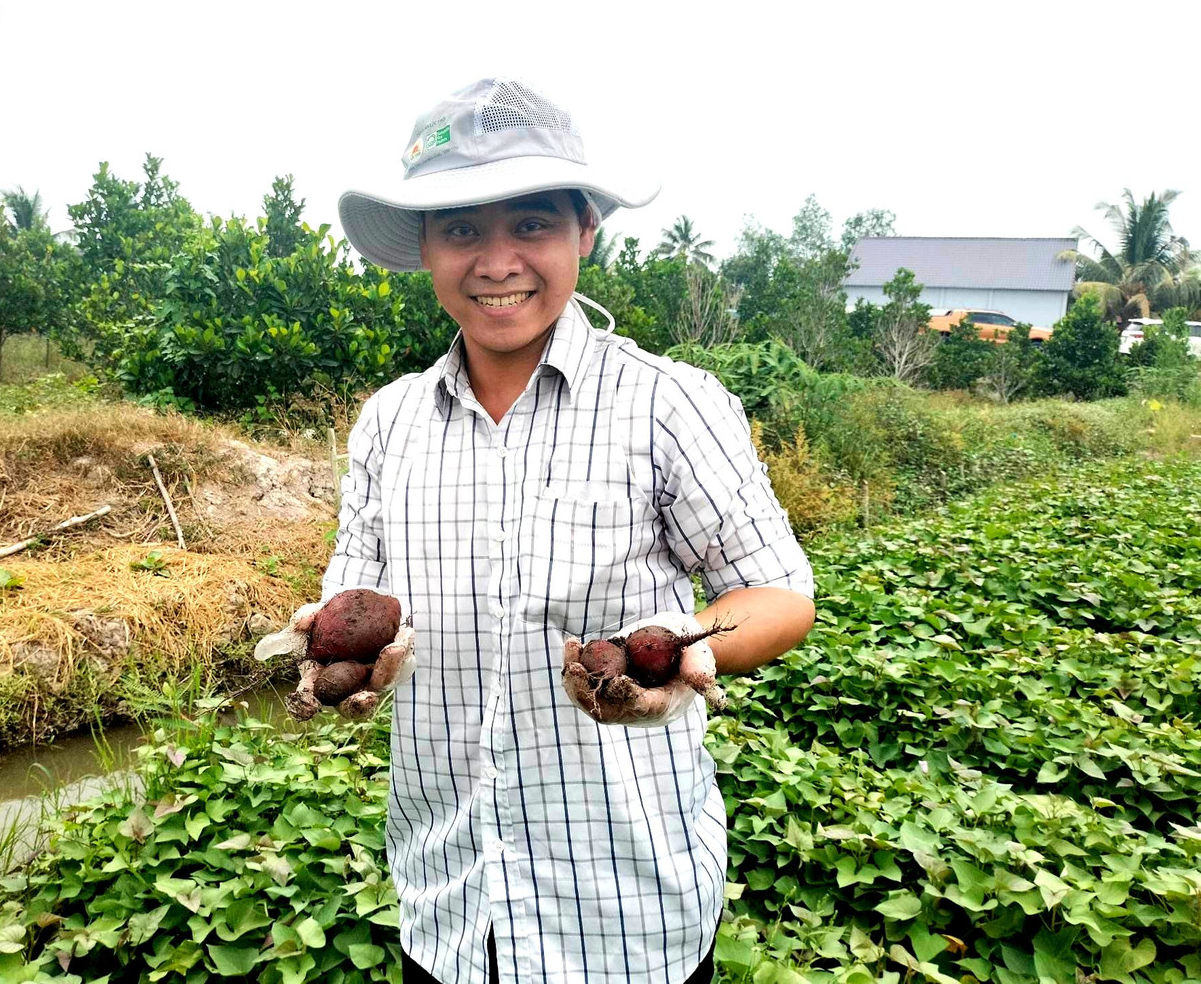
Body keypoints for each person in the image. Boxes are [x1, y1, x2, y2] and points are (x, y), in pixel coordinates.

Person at [257, 78, 816, 984]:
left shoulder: (667, 404)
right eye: (461, 229)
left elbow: (782, 593)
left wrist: (688, 660)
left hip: (627, 915)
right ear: (426, 247)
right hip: (449, 905)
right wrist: (334, 645)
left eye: (531, 223)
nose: (497, 261)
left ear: (584, 230)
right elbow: (356, 590)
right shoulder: (390, 422)